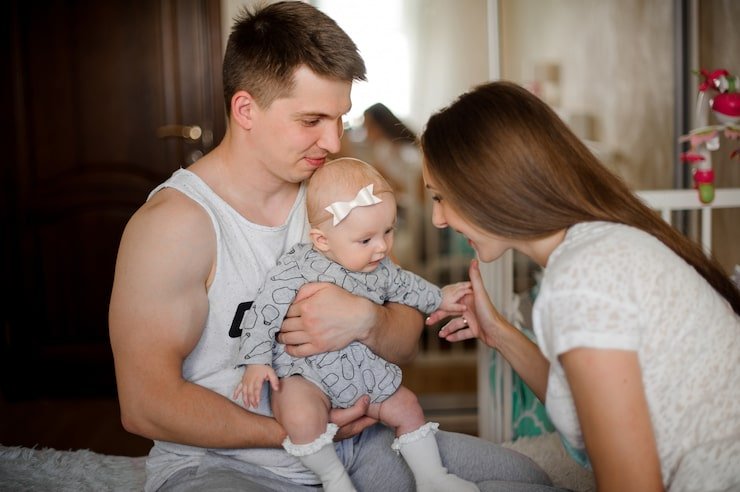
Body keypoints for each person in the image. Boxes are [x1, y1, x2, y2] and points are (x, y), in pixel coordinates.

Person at [109, 3, 559, 491]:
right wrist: (300, 434)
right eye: (312, 120)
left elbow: (406, 337)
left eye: (340, 118)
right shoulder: (174, 226)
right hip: (225, 464)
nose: (334, 141)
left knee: (529, 479)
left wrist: (367, 320)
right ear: (245, 110)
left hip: (357, 445)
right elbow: (145, 405)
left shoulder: (334, 195)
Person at [421, 80, 740, 491]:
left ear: (488, 186)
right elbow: (579, 405)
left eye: (440, 197)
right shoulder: (593, 249)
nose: (438, 220)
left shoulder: (583, 277)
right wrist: (497, 331)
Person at [233, 157, 477, 492]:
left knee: (407, 405)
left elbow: (407, 286)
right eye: (366, 240)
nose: (382, 247)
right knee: (299, 414)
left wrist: (439, 297)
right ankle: (334, 478)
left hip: (363, 373)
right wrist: (257, 361)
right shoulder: (297, 267)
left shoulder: (381, 267)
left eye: (388, 231)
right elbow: (264, 311)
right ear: (322, 240)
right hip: (307, 375)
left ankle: (432, 476)